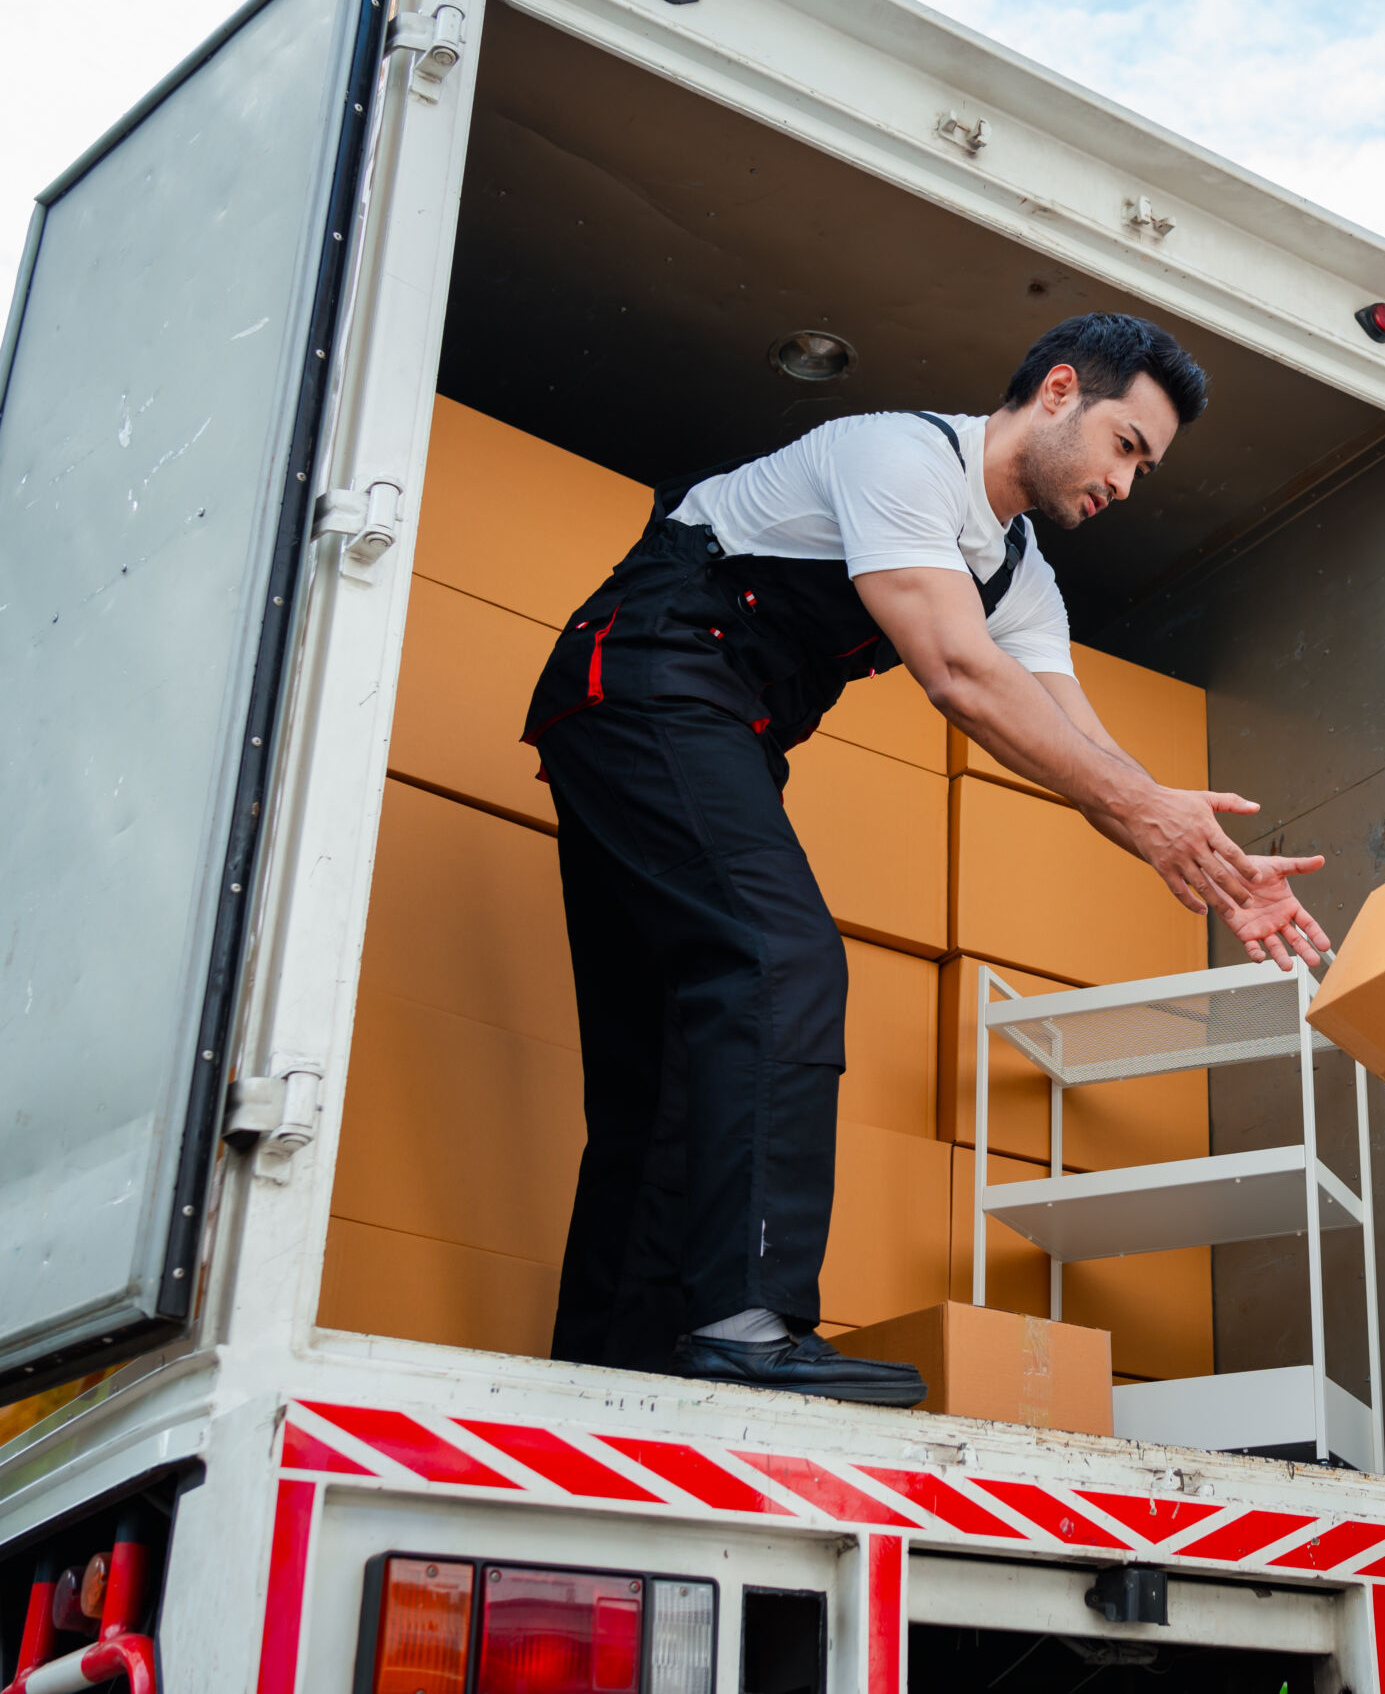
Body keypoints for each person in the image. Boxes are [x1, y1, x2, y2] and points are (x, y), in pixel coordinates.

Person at [521, 313, 1331, 1403]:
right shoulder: (898, 456)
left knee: (667, 1059)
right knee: (777, 963)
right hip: (645, 684)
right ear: (1056, 393)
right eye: (1126, 447)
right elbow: (956, 671)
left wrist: (1222, 870)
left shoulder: (1020, 573)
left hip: (695, 732)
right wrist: (1147, 814)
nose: (1127, 485)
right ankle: (745, 1328)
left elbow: (1085, 751)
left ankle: (610, 1369)